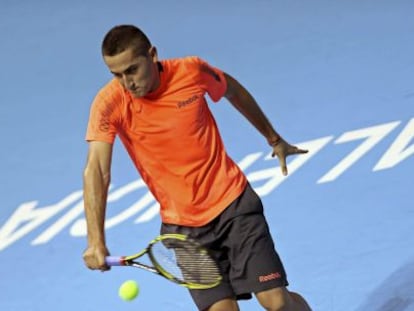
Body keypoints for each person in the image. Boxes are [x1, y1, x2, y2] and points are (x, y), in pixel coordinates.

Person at [82, 24, 312, 311]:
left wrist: (273, 137)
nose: (127, 83)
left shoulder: (191, 71)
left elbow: (232, 90)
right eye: (116, 74)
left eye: (132, 70)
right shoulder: (109, 103)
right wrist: (95, 240)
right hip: (182, 232)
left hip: (233, 205)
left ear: (152, 55)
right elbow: (97, 170)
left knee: (276, 302)